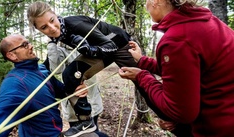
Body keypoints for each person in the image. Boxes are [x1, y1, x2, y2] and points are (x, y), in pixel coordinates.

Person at [118, 0, 234, 136]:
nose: (145, 6)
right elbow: (185, 73)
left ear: (156, 1)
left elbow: (180, 112)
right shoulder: (207, 23)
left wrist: (141, 76)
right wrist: (142, 60)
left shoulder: (177, 39)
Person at [27, 2, 140, 136]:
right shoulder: (59, 36)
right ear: (39, 30)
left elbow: (110, 44)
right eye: (44, 27)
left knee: (144, 81)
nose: (51, 28)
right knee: (70, 74)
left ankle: (168, 111)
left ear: (55, 15)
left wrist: (91, 51)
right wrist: (29, 70)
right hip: (105, 50)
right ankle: (85, 121)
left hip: (120, 44)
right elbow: (50, 65)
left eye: (52, 20)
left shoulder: (74, 25)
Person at [0, 34, 88, 137]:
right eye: (25, 45)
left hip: (57, 132)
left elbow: (62, 91)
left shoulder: (42, 70)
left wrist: (76, 90)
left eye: (28, 42)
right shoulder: (16, 83)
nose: (31, 46)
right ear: (12, 55)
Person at [42, 42, 105, 133]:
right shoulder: (59, 50)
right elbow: (56, 69)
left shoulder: (87, 44)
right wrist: (52, 43)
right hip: (74, 105)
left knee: (94, 131)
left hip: (93, 98)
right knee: (77, 132)